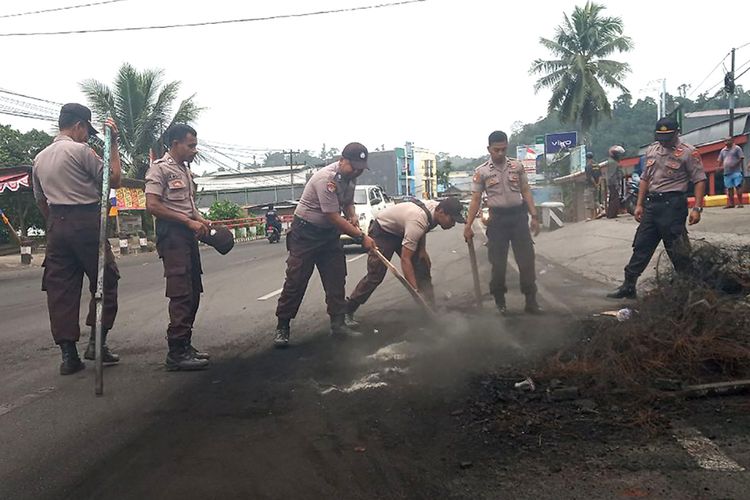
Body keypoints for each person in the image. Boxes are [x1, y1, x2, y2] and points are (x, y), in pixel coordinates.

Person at [32, 103, 122, 375]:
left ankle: (68, 355)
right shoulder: (81, 151)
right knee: (105, 280)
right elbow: (114, 179)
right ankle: (97, 342)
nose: (86, 136)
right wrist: (114, 143)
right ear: (79, 126)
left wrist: (57, 221)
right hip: (86, 222)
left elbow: (40, 201)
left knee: (60, 290)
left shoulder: (39, 158)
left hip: (56, 226)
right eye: (86, 130)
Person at [274, 142, 376, 348]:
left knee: (336, 277)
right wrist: (360, 237)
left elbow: (347, 202)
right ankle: (282, 326)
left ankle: (338, 324)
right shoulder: (326, 179)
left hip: (329, 236)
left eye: (360, 168)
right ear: (342, 160)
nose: (357, 171)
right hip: (306, 234)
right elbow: (331, 216)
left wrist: (352, 216)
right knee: (296, 280)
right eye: (354, 166)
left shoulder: (350, 177)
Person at [608, 117, 706, 299]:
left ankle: (690, 289)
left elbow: (699, 180)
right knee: (641, 245)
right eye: (660, 136)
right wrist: (639, 205)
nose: (664, 140)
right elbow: (645, 178)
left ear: (676, 133)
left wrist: (697, 208)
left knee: (677, 250)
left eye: (667, 136)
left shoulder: (688, 153)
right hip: (652, 205)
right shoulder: (652, 150)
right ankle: (629, 285)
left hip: (673, 206)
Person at [145, 124, 213, 371]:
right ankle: (176, 352)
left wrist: (199, 219)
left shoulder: (184, 170)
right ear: (175, 144)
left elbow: (188, 204)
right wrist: (186, 221)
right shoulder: (159, 169)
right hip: (172, 235)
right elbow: (152, 205)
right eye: (191, 145)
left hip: (187, 235)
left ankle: (185, 344)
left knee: (193, 289)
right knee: (181, 291)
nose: (195, 150)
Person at [344, 197, 466, 324]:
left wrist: (422, 250)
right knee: (376, 274)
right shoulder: (418, 220)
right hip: (384, 231)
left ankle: (429, 308)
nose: (453, 224)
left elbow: (424, 227)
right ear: (441, 212)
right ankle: (348, 309)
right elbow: (405, 259)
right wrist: (415, 290)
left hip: (404, 229)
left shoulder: (434, 210)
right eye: (452, 220)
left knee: (422, 265)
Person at [463, 130, 541, 315]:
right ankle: (500, 302)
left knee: (526, 261)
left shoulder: (517, 166)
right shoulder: (481, 171)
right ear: (489, 149)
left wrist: (534, 216)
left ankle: (531, 301)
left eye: (504, 149)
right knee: (498, 264)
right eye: (496, 150)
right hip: (497, 220)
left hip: (518, 218)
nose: (500, 153)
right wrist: (468, 225)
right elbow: (475, 199)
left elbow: (526, 190)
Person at [718, 137, 745, 208]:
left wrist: (735, 164)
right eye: (725, 141)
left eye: (728, 140)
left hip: (736, 171)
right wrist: (719, 167)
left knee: (738, 186)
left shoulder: (737, 148)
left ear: (732, 141)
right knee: (729, 188)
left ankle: (740, 203)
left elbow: (741, 158)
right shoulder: (723, 150)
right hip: (727, 172)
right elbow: (720, 160)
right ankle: (731, 203)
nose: (726, 142)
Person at [605, 145, 625, 218]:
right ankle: (612, 214)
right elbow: (612, 175)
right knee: (614, 198)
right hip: (613, 183)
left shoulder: (612, 162)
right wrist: (616, 184)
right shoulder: (613, 163)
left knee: (613, 197)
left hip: (612, 183)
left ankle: (611, 213)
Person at [584, 151, 601, 220]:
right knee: (596, 200)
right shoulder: (597, 165)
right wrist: (598, 184)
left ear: (587, 158)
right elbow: (600, 176)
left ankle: (592, 216)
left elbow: (590, 177)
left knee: (590, 201)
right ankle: (598, 213)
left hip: (591, 186)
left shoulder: (588, 166)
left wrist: (595, 184)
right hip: (597, 186)